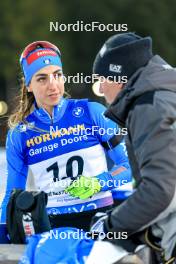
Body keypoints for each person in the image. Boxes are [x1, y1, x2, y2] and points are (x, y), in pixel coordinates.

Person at [0, 40, 132, 234]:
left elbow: (130, 167)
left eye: (57, 75)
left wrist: (99, 182)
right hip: (51, 226)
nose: (52, 85)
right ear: (28, 85)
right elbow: (12, 196)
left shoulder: (92, 112)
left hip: (99, 219)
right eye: (42, 79)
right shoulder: (19, 135)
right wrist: (3, 237)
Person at [90, 32, 176, 262]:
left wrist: (110, 226)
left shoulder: (149, 105)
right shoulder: (166, 95)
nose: (102, 93)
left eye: (100, 83)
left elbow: (160, 190)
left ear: (118, 78)